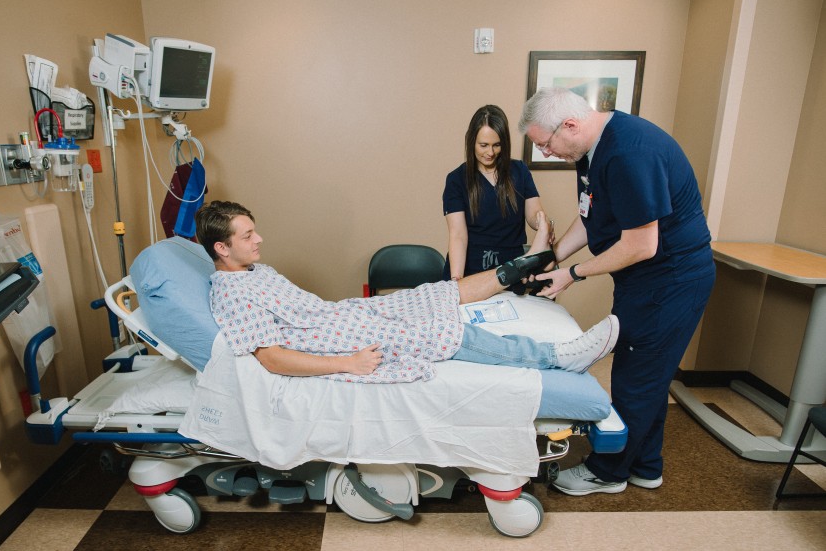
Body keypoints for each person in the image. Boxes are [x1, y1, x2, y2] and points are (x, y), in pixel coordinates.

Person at [518, 87, 716, 495]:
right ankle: (646, 465)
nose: (548, 153)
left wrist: (572, 273)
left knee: (635, 377)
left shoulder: (629, 153)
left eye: (546, 144)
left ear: (569, 125)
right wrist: (550, 258)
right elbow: (592, 218)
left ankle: (607, 472)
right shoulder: (591, 150)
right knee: (650, 374)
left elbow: (642, 245)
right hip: (646, 278)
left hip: (671, 280)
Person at [194, 200, 618, 385]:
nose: (259, 239)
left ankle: (521, 267)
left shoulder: (251, 270)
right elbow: (270, 357)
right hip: (338, 339)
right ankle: (558, 357)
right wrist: (347, 363)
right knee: (439, 333)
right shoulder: (232, 294)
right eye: (248, 235)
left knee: (432, 294)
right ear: (221, 247)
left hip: (341, 314)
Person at [442, 105, 550, 284]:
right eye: (483, 145)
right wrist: (457, 281)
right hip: (470, 270)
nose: (490, 153)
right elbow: (458, 235)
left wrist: (542, 223)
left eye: (496, 145)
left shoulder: (520, 171)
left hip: (512, 268)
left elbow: (533, 213)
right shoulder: (456, 180)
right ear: (471, 141)